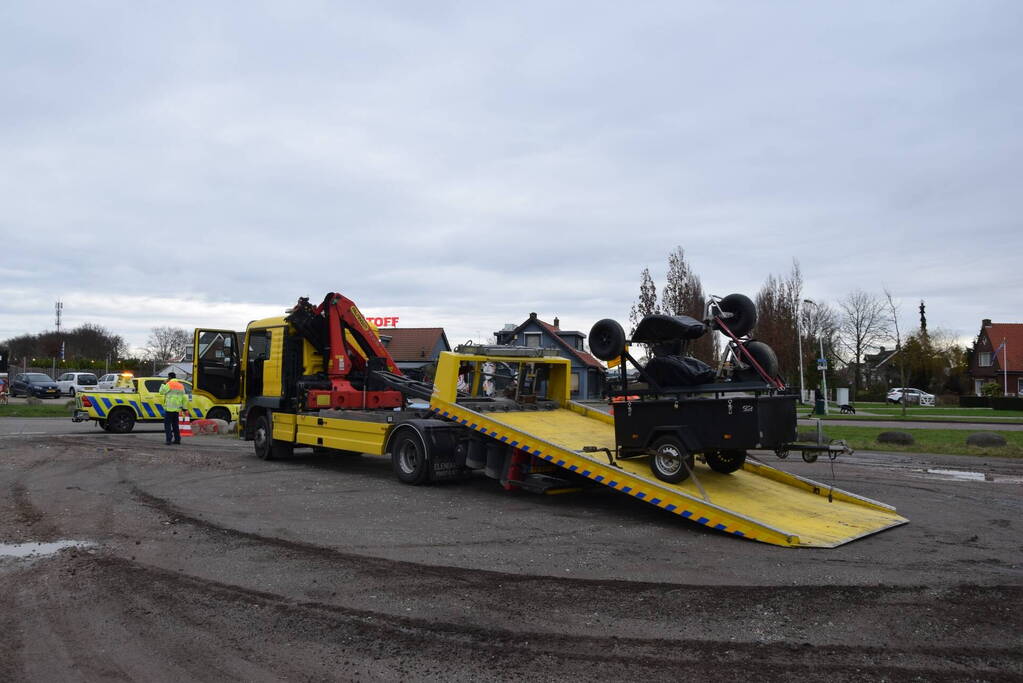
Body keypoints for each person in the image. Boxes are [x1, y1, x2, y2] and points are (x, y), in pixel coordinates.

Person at [159, 372, 190, 445]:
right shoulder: (181, 385)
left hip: (169, 408)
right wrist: (184, 408)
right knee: (175, 425)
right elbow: (184, 397)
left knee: (167, 425)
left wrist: (163, 384)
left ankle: (168, 440)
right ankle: (177, 439)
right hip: (177, 409)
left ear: (169, 377)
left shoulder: (169, 384)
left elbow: (161, 392)